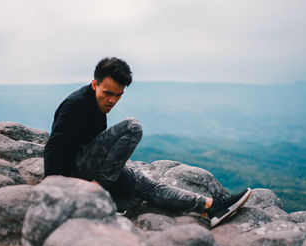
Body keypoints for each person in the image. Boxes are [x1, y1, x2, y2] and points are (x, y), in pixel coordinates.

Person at [43, 57, 251, 228]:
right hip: (75, 172)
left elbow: (97, 143)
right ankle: (98, 191)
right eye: (108, 93)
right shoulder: (76, 105)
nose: (113, 101)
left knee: (145, 187)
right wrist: (54, 189)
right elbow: (55, 146)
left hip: (91, 168)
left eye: (118, 95)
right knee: (132, 127)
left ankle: (210, 207)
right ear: (94, 84)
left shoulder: (99, 106)